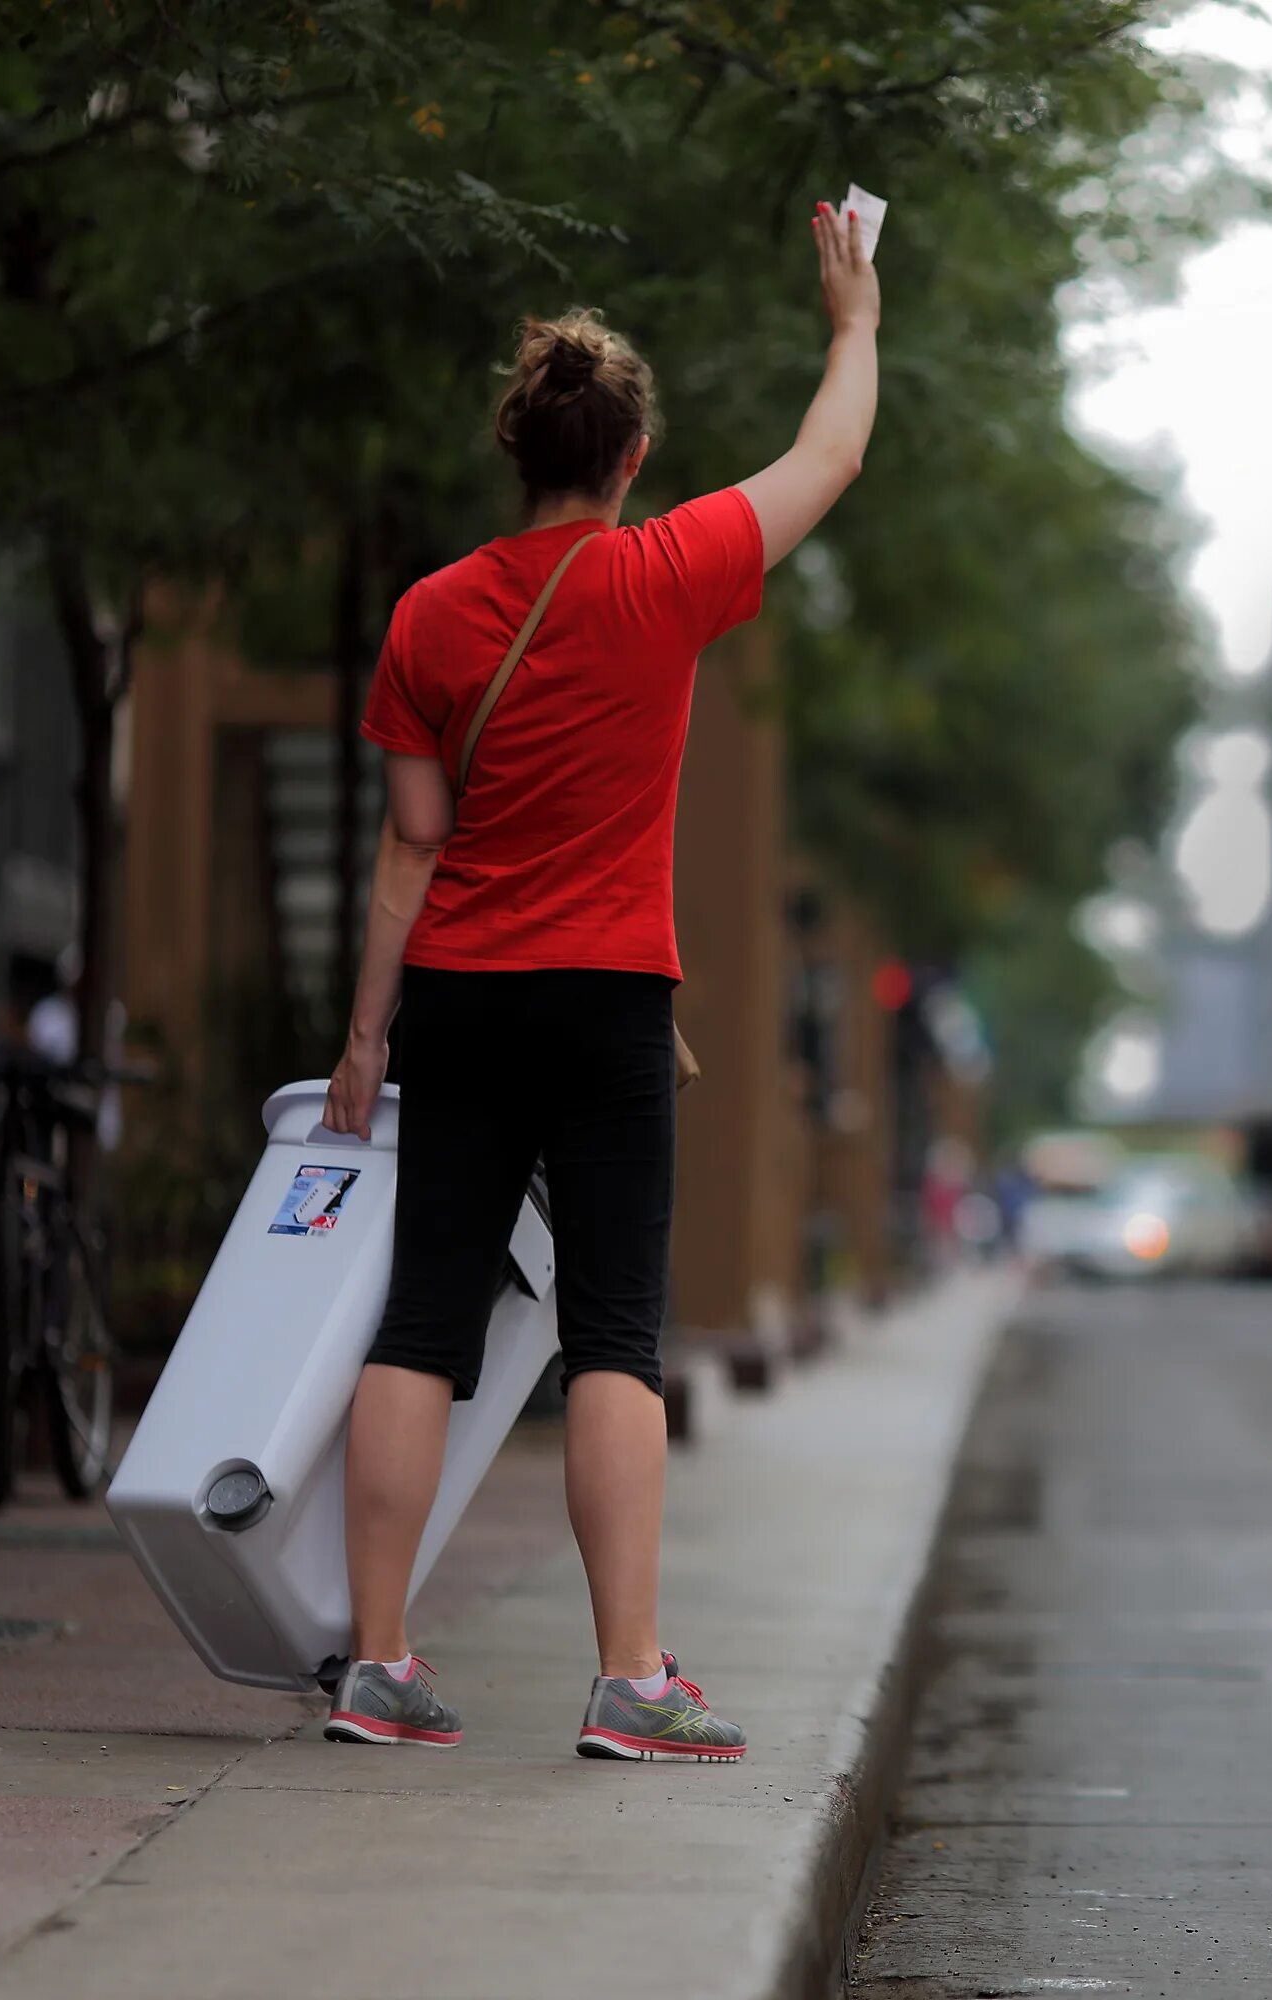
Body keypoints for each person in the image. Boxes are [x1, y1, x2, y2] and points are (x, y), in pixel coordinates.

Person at [319, 203, 881, 1758]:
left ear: (521, 453)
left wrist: (368, 1038)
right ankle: (631, 1679)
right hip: (610, 1001)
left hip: (460, 996)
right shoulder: (670, 573)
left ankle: (379, 1663)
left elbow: (404, 852)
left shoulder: (433, 615)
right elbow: (826, 459)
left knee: (421, 1321)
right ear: (630, 460)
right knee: (616, 1333)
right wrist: (853, 324)